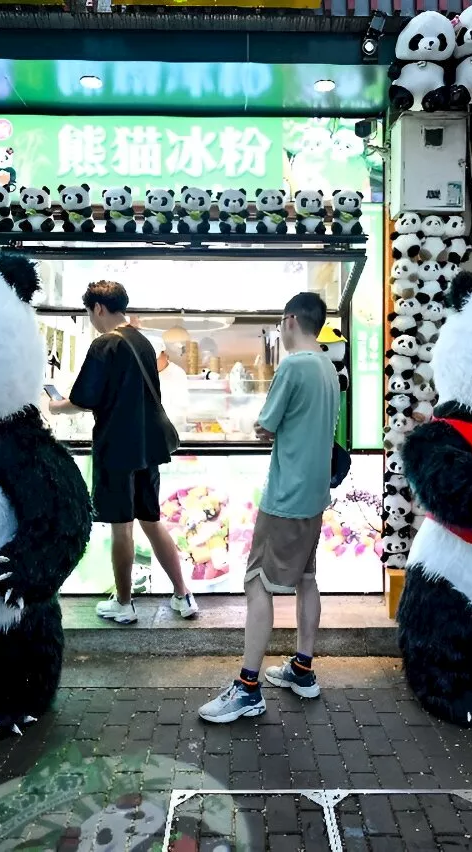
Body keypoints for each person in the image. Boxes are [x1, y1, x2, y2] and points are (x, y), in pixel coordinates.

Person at [198, 292, 340, 723]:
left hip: (286, 497)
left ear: (290, 320)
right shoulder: (329, 369)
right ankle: (302, 669)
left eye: (281, 323)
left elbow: (265, 425)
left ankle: (247, 687)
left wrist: (264, 427)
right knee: (306, 580)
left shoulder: (294, 365)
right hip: (314, 495)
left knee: (257, 583)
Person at [48, 281, 198, 624]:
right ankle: (183, 594)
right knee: (152, 519)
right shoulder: (143, 342)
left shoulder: (104, 344)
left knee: (121, 527)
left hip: (117, 447)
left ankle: (124, 603)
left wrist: (56, 408)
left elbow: (84, 399)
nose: (92, 320)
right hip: (148, 446)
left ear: (98, 308)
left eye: (90, 313)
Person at [143, 332, 190, 431]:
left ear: (164, 354)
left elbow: (180, 408)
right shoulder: (144, 373)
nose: (151, 365)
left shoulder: (177, 374)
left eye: (155, 360)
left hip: (172, 429)